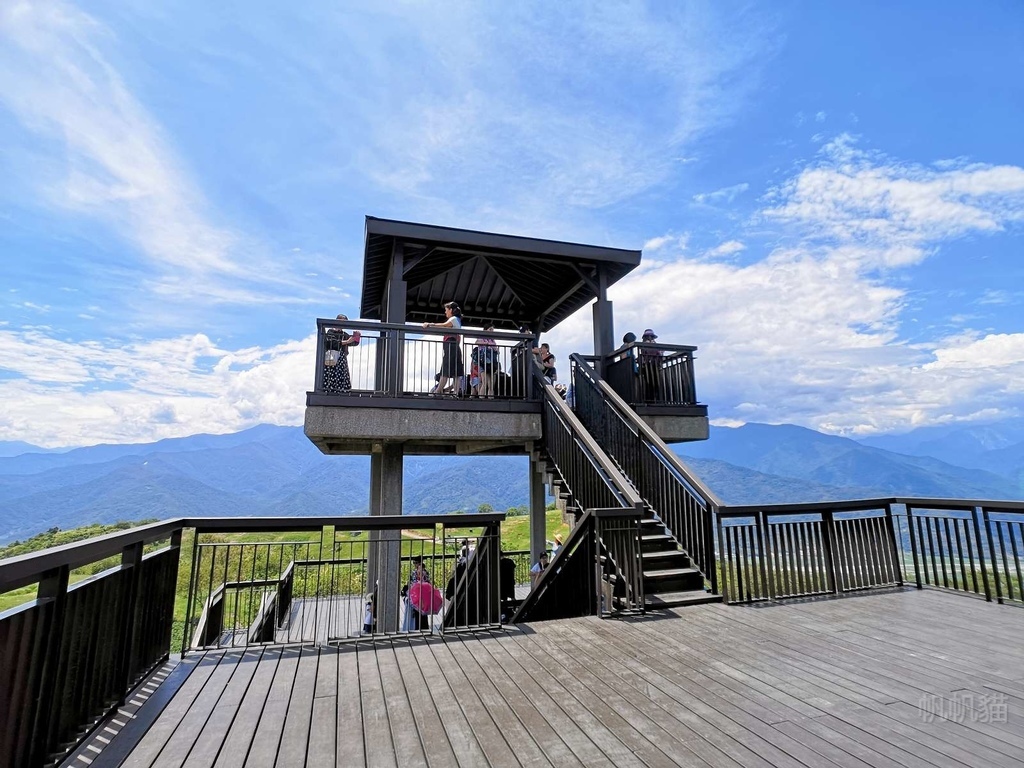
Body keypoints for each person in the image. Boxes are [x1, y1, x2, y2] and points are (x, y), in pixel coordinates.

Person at [423, 302, 464, 396]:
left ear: (451, 310)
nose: (445, 312)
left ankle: (437, 392)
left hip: (450, 346)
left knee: (445, 370)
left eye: (446, 310)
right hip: (455, 347)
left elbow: (444, 325)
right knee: (457, 371)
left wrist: (429, 324)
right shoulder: (457, 320)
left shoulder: (453, 319)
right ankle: (455, 393)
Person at [323, 314, 358, 393]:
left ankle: (342, 390)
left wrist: (357, 336)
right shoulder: (330, 332)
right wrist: (347, 341)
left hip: (341, 358)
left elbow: (354, 343)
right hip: (332, 357)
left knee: (341, 375)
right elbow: (331, 343)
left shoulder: (344, 334)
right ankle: (330, 390)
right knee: (331, 374)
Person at [402, 557, 432, 631]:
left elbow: (414, 584)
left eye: (415, 563)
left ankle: (418, 628)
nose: (414, 564)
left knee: (418, 612)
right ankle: (423, 627)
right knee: (422, 612)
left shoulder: (416, 572)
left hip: (417, 595)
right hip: (423, 595)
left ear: (419, 563)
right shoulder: (425, 572)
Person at [472, 324, 499, 398]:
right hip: (483, 362)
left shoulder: (493, 340)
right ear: (485, 330)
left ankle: (490, 398)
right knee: (484, 382)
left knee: (491, 384)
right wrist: (487, 344)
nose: (492, 331)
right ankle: (481, 399)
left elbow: (496, 350)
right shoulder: (482, 337)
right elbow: (476, 342)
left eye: (493, 329)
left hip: (492, 362)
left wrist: (495, 349)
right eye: (490, 329)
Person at [639, 328, 663, 402]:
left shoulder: (647, 344)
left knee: (653, 383)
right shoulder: (645, 344)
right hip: (649, 365)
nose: (650, 338)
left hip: (653, 365)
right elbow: (657, 352)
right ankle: (651, 399)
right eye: (649, 336)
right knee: (651, 383)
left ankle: (653, 399)